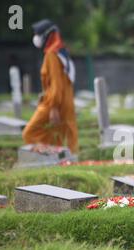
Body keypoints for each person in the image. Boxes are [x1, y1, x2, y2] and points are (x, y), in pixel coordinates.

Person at [22, 19, 78, 154]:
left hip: (54, 102)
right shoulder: (61, 51)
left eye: (38, 34)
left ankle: (56, 154)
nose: (36, 37)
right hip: (65, 101)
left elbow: (56, 83)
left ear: (47, 35)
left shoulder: (52, 54)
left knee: (29, 133)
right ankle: (64, 159)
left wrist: (53, 107)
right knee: (62, 135)